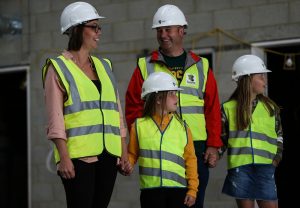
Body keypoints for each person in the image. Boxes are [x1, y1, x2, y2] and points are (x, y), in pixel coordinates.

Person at [125, 4, 222, 207]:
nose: (162, 35)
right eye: (159, 30)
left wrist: (213, 144)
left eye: (167, 29)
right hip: (161, 147)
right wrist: (142, 137)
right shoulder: (145, 65)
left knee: (195, 201)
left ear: (181, 30)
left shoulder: (201, 65)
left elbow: (212, 108)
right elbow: (133, 106)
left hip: (196, 147)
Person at [41, 2, 130, 208]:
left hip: (109, 155)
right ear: (77, 29)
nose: (99, 32)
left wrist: (123, 151)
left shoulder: (104, 66)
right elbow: (55, 119)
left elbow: (117, 113)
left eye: (99, 27)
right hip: (78, 158)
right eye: (94, 27)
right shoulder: (58, 68)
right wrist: (63, 158)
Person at [126, 71, 199, 208]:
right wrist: (128, 164)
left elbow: (191, 159)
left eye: (175, 93)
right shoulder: (138, 126)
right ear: (158, 99)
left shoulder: (183, 127)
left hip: (178, 192)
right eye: (171, 93)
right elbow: (132, 154)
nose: (175, 97)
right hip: (150, 192)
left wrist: (192, 189)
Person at [220, 54, 284, 208]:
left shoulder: (271, 108)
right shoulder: (227, 108)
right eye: (261, 76)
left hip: (266, 167)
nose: (265, 81)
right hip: (240, 169)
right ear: (247, 79)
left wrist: (276, 159)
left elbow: (279, 136)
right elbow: (222, 138)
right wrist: (214, 155)